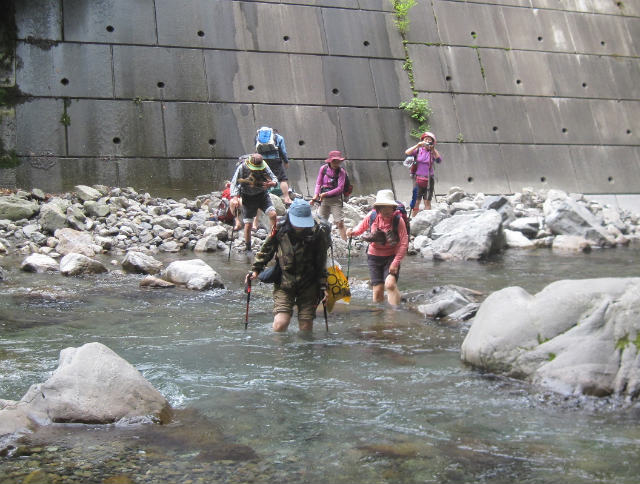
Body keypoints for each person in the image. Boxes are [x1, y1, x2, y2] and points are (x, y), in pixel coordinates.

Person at [246, 198, 331, 332]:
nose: (301, 226)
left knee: (305, 326)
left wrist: (324, 285)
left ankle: (305, 351)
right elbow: (266, 250)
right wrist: (256, 270)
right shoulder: (279, 230)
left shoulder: (317, 233)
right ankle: (280, 352)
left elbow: (321, 261)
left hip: (309, 284)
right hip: (284, 283)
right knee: (280, 324)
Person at [346, 189, 409, 307]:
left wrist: (395, 263)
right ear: (378, 208)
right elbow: (360, 229)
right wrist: (351, 232)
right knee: (378, 290)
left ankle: (394, 316)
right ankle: (379, 319)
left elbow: (404, 243)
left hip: (391, 257)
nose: (387, 210)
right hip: (374, 258)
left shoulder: (398, 220)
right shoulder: (372, 216)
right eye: (383, 206)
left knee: (389, 284)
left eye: (389, 206)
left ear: (393, 207)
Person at [229, 153, 279, 252]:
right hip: (248, 198)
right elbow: (234, 183)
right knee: (248, 225)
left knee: (273, 215)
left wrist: (272, 183)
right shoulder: (242, 167)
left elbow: (274, 178)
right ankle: (248, 248)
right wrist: (235, 198)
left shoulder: (264, 165)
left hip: (262, 196)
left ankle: (273, 239)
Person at [311, 150, 348, 241]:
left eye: (338, 161)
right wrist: (316, 195)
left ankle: (346, 243)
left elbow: (340, 188)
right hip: (324, 200)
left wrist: (325, 194)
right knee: (322, 222)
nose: (336, 163)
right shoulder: (323, 169)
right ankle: (322, 242)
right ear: (330, 161)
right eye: (334, 161)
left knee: (339, 223)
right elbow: (318, 183)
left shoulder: (341, 172)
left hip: (336, 200)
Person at [405, 131, 442, 214]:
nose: (427, 142)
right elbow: (407, 152)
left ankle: (427, 220)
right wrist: (418, 145)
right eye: (426, 140)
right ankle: (414, 220)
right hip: (417, 178)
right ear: (422, 140)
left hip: (429, 179)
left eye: (430, 140)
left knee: (427, 201)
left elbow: (439, 160)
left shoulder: (433, 152)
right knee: (416, 201)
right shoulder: (418, 150)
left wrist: (433, 149)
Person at [254, 126, 293, 205]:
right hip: (275, 159)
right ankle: (286, 198)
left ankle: (266, 198)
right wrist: (285, 161)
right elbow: (283, 151)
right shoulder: (278, 137)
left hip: (262, 160)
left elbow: (256, 149)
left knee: (266, 178)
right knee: (282, 179)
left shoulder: (257, 137)